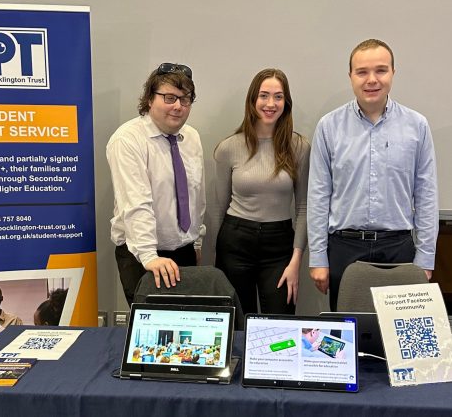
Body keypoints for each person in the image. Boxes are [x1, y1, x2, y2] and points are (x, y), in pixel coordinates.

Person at [307, 39, 439, 311]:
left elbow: (426, 195)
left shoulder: (417, 126)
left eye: (380, 70)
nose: (371, 80)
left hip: (399, 249)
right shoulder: (329, 127)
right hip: (344, 248)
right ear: (350, 76)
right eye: (362, 72)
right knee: (347, 337)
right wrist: (318, 257)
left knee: (396, 338)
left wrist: (425, 258)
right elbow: (319, 195)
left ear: (393, 72)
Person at [210, 68, 308, 315]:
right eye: (264, 95)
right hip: (235, 240)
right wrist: (216, 257)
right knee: (237, 322)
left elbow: (304, 207)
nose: (270, 103)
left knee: (280, 325)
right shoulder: (228, 148)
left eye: (278, 96)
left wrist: (296, 261)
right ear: (252, 100)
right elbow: (219, 208)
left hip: (279, 245)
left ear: (286, 103)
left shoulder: (299, 147)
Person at [108, 63, 206, 304]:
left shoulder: (191, 137)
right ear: (150, 98)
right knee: (153, 329)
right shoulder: (127, 140)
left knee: (186, 327)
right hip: (142, 253)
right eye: (169, 97)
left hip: (184, 250)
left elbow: (196, 195)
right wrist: (149, 256)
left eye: (185, 99)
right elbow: (136, 202)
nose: (178, 106)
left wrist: (197, 240)